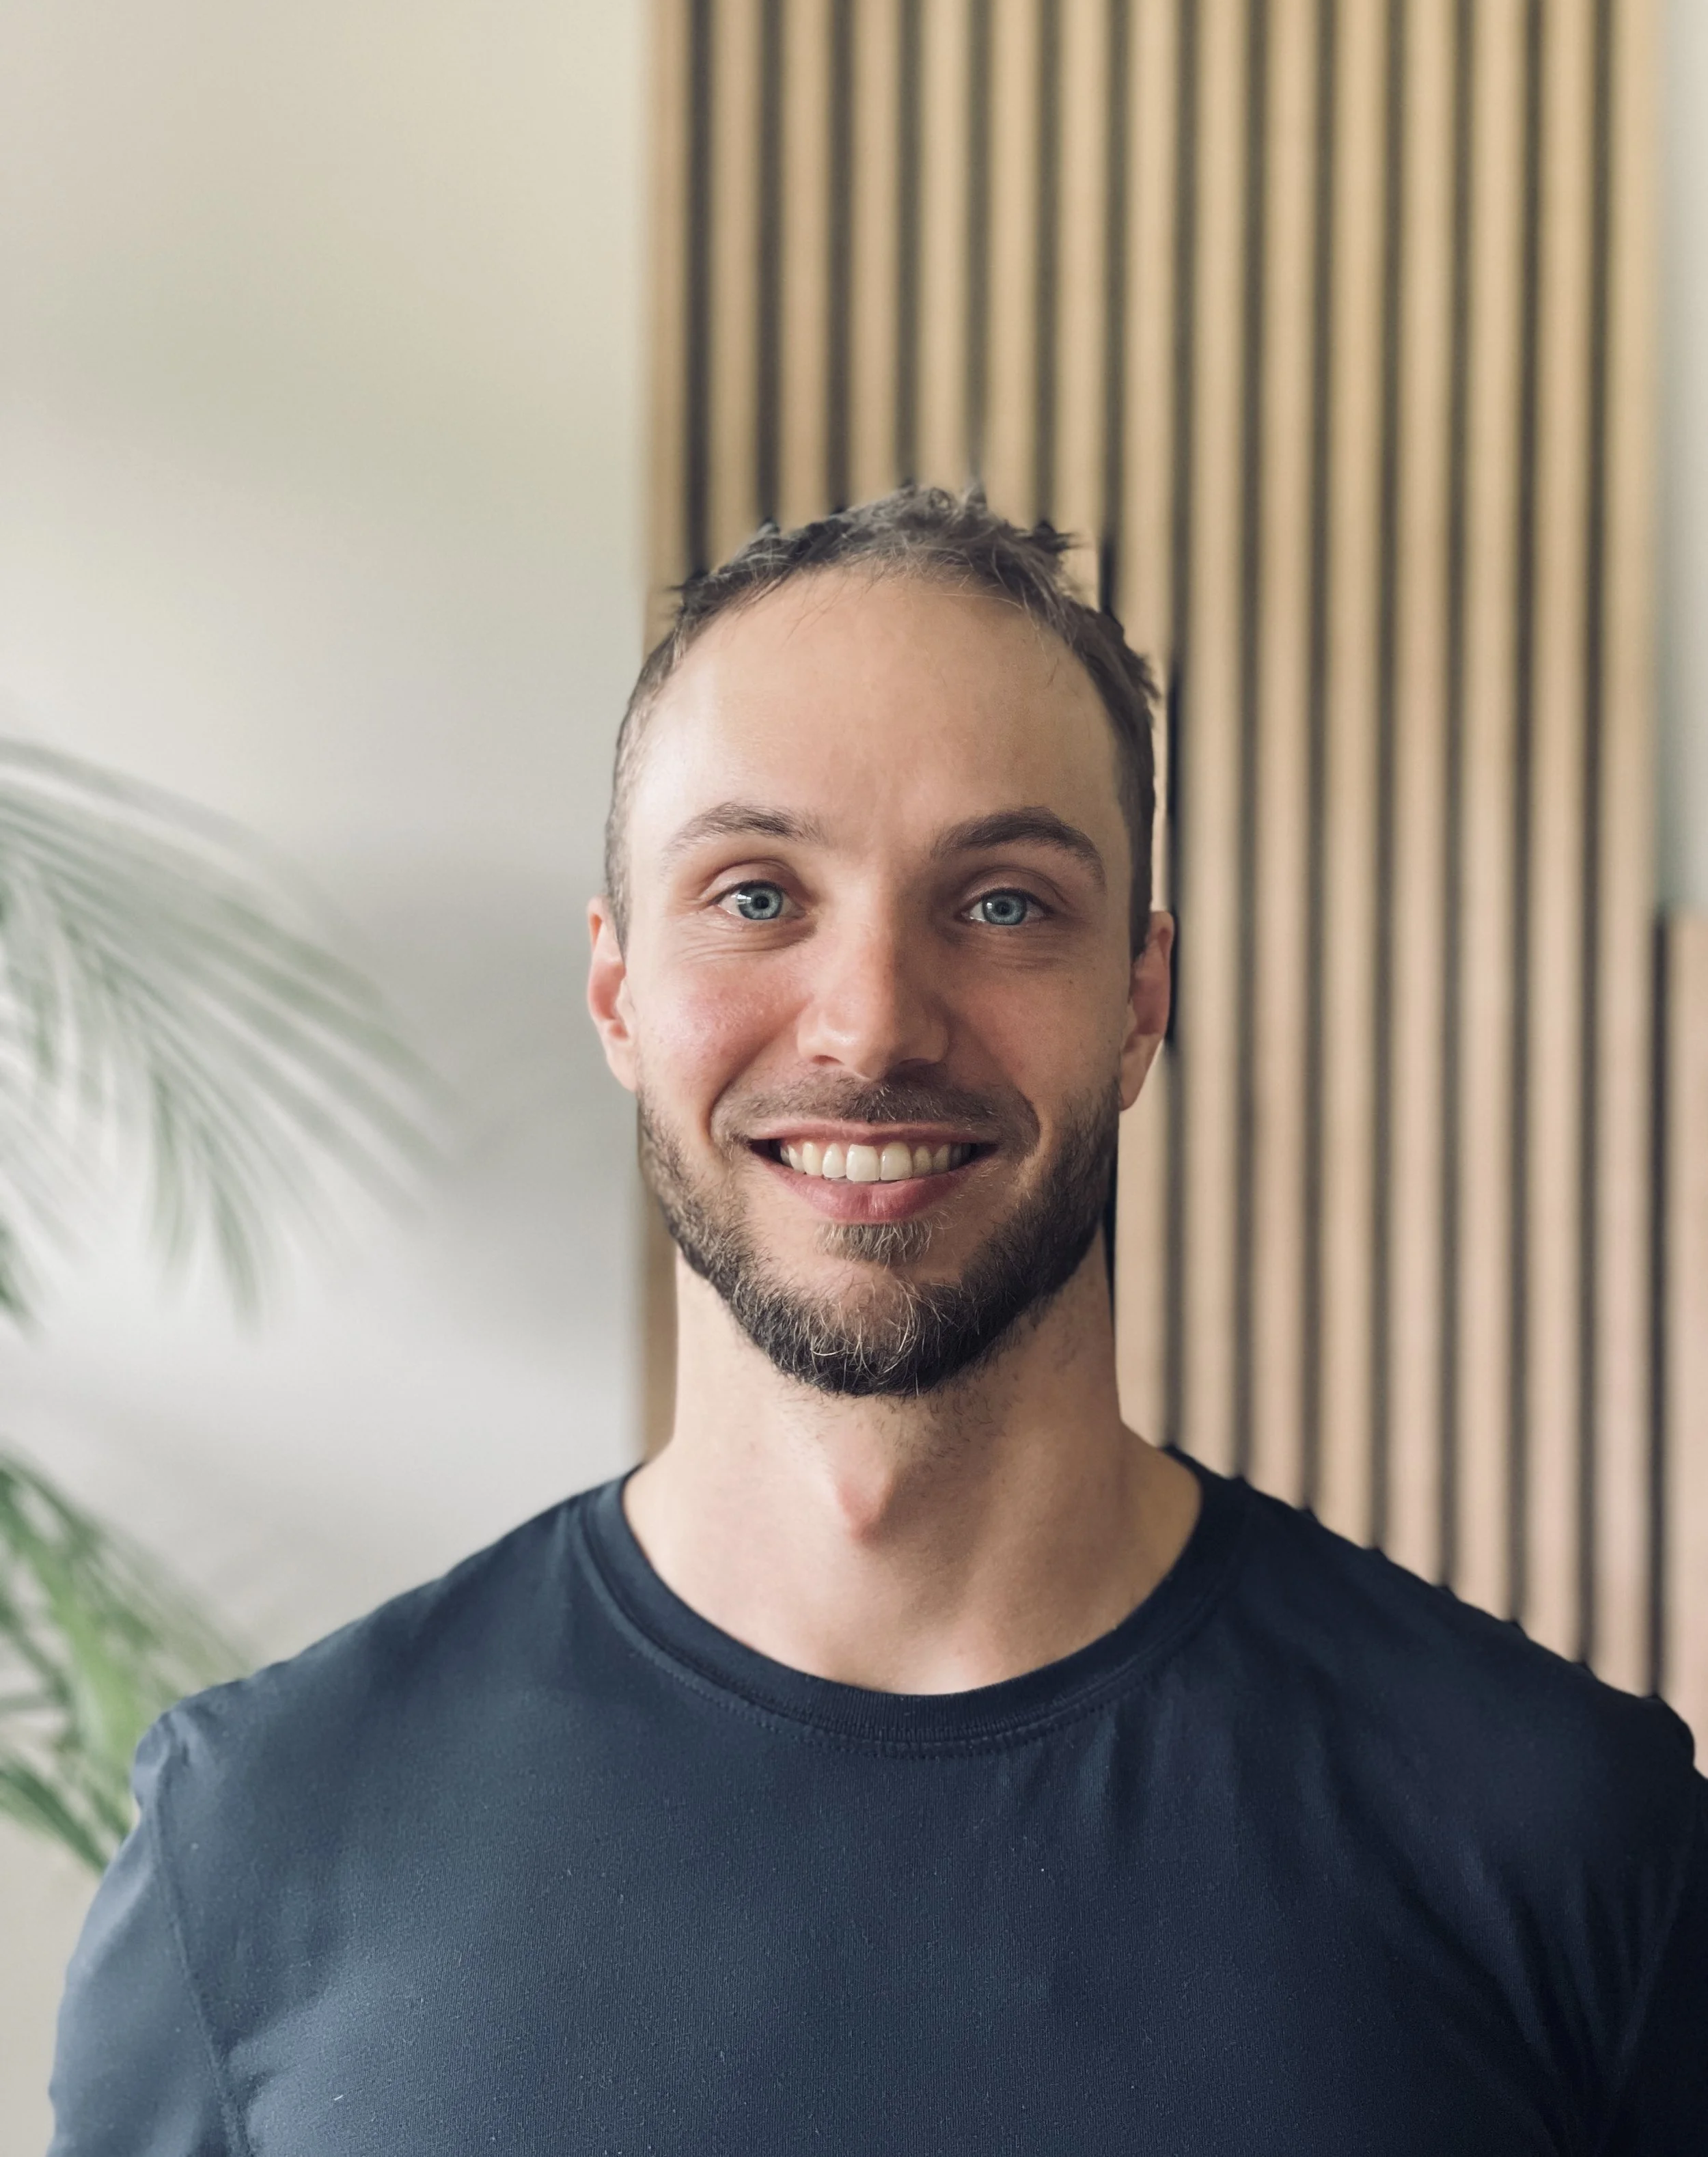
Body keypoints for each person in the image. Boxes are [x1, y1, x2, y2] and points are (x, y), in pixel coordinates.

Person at [49, 488, 1706, 2152]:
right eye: (755, 895)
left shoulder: (1569, 1843)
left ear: (1138, 1001)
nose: (869, 1024)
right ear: (617, 991)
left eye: (1001, 903)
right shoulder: (255, 1843)